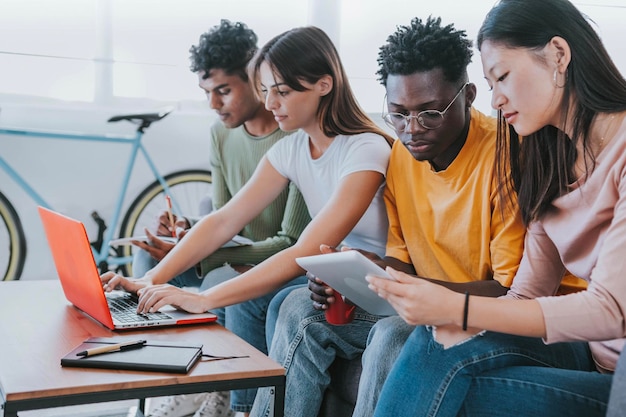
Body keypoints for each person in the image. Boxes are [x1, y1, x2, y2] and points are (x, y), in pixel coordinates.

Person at [102, 25, 394, 417]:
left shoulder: (365, 149)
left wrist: (203, 298)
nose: (270, 102)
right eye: (266, 89)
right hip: (332, 283)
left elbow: (305, 248)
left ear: (324, 84)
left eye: (283, 91)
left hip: (376, 287)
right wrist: (152, 279)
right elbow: (223, 219)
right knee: (284, 307)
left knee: (287, 308)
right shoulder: (293, 148)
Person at [251, 16, 530, 417]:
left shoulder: (504, 157)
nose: (412, 129)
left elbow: (507, 291)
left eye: (430, 114)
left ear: (468, 95)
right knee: (298, 308)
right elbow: (400, 261)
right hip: (421, 301)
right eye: (398, 114)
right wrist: (357, 276)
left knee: (392, 334)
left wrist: (412, 289)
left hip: (481, 313)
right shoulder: (401, 154)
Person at [369, 1, 625, 416]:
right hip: (585, 358)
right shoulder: (548, 158)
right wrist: (447, 318)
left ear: (558, 55)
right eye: (489, 84)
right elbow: (526, 293)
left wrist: (456, 306)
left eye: (502, 76)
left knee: (447, 358)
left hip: (619, 379)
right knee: (436, 344)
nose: (496, 98)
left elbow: (611, 309)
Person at [127, 20, 311, 417]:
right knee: (147, 264)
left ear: (256, 77)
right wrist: (185, 235)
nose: (214, 104)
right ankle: (164, 379)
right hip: (234, 252)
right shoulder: (221, 134)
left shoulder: (293, 136)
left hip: (268, 259)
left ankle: (227, 396)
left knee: (218, 277)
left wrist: (205, 256)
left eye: (223, 91)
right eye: (207, 93)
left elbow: (290, 240)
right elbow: (227, 217)